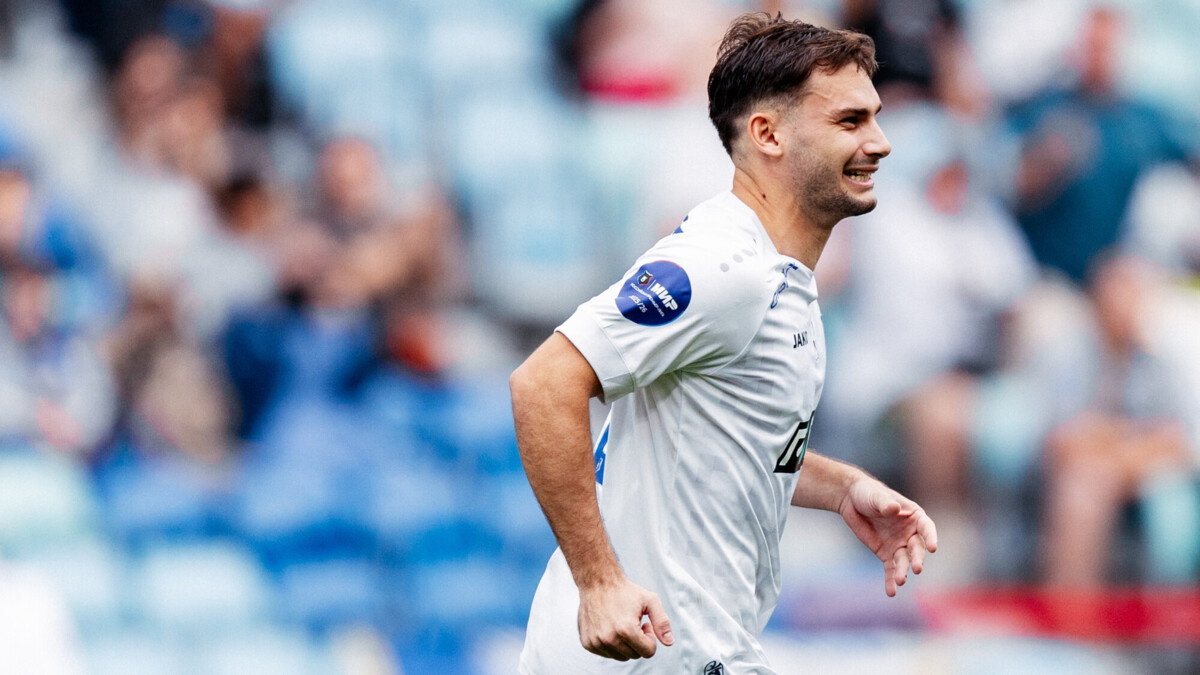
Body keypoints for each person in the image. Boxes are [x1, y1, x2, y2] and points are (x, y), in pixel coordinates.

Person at [510, 13, 937, 672]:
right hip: (647, 656)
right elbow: (543, 382)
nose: (879, 143)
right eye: (850, 121)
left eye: (874, 118)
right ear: (768, 134)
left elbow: (725, 441)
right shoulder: (722, 267)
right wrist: (599, 583)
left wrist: (842, 488)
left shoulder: (779, 279)